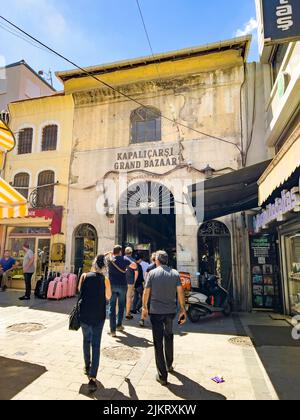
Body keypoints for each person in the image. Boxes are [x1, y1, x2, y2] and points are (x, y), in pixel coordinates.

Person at [142, 251, 187, 386]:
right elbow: (180, 292)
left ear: (157, 261)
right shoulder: (175, 273)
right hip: (170, 312)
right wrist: (183, 309)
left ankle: (162, 375)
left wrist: (144, 307)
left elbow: (146, 292)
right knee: (169, 336)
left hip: (156, 312)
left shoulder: (152, 274)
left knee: (157, 342)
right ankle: (169, 364)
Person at [79, 255, 112, 393]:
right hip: (98, 316)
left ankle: (87, 366)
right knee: (96, 345)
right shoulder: (105, 280)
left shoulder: (84, 276)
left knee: (86, 340)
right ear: (104, 267)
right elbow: (108, 297)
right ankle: (92, 376)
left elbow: (79, 291)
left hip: (84, 314)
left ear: (93, 265)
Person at [107, 245, 137, 337]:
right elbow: (134, 265)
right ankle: (119, 325)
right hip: (123, 285)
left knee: (112, 307)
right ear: (120, 252)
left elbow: (102, 256)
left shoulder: (110, 259)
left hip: (112, 285)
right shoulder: (124, 259)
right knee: (121, 305)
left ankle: (112, 331)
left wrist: (110, 254)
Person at [139, 253, 157, 328]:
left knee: (145, 304)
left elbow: (146, 278)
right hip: (156, 289)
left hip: (149, 288)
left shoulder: (149, 267)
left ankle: (142, 319)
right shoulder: (160, 267)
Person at [124, 247, 137, 321]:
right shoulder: (133, 261)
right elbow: (136, 273)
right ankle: (127, 314)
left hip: (122, 281)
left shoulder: (122, 259)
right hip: (130, 281)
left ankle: (118, 313)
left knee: (119, 297)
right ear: (131, 253)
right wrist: (134, 282)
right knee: (129, 297)